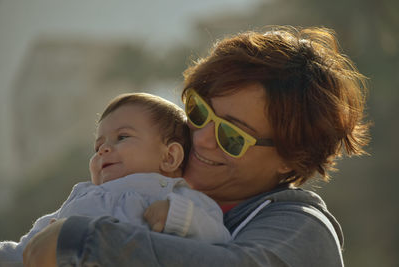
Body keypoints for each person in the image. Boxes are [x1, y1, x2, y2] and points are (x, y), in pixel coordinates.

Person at [23, 26, 370, 267]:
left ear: (290, 159)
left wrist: (82, 241)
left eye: (232, 137)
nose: (201, 137)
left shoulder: (302, 230)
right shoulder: (148, 189)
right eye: (199, 111)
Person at [0, 93, 231, 265]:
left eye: (122, 137)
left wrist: (176, 214)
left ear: (169, 157)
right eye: (99, 145)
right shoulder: (83, 194)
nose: (104, 150)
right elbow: (27, 248)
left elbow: (218, 237)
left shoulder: (171, 195)